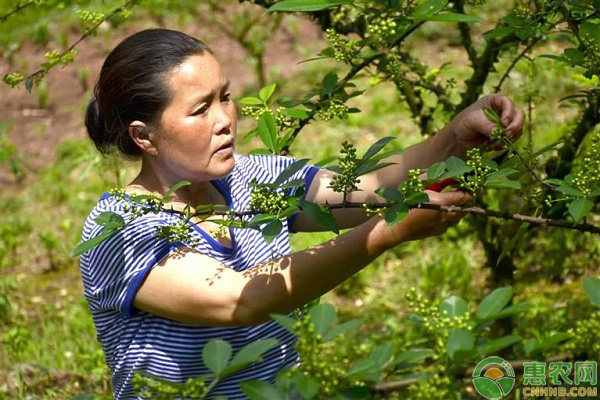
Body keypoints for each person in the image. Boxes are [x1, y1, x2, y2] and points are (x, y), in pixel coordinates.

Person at [80, 28, 524, 399]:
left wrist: (457, 135)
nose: (225, 119)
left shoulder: (252, 179)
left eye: (226, 96)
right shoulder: (120, 229)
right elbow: (240, 300)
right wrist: (386, 235)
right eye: (200, 109)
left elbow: (371, 189)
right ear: (145, 136)